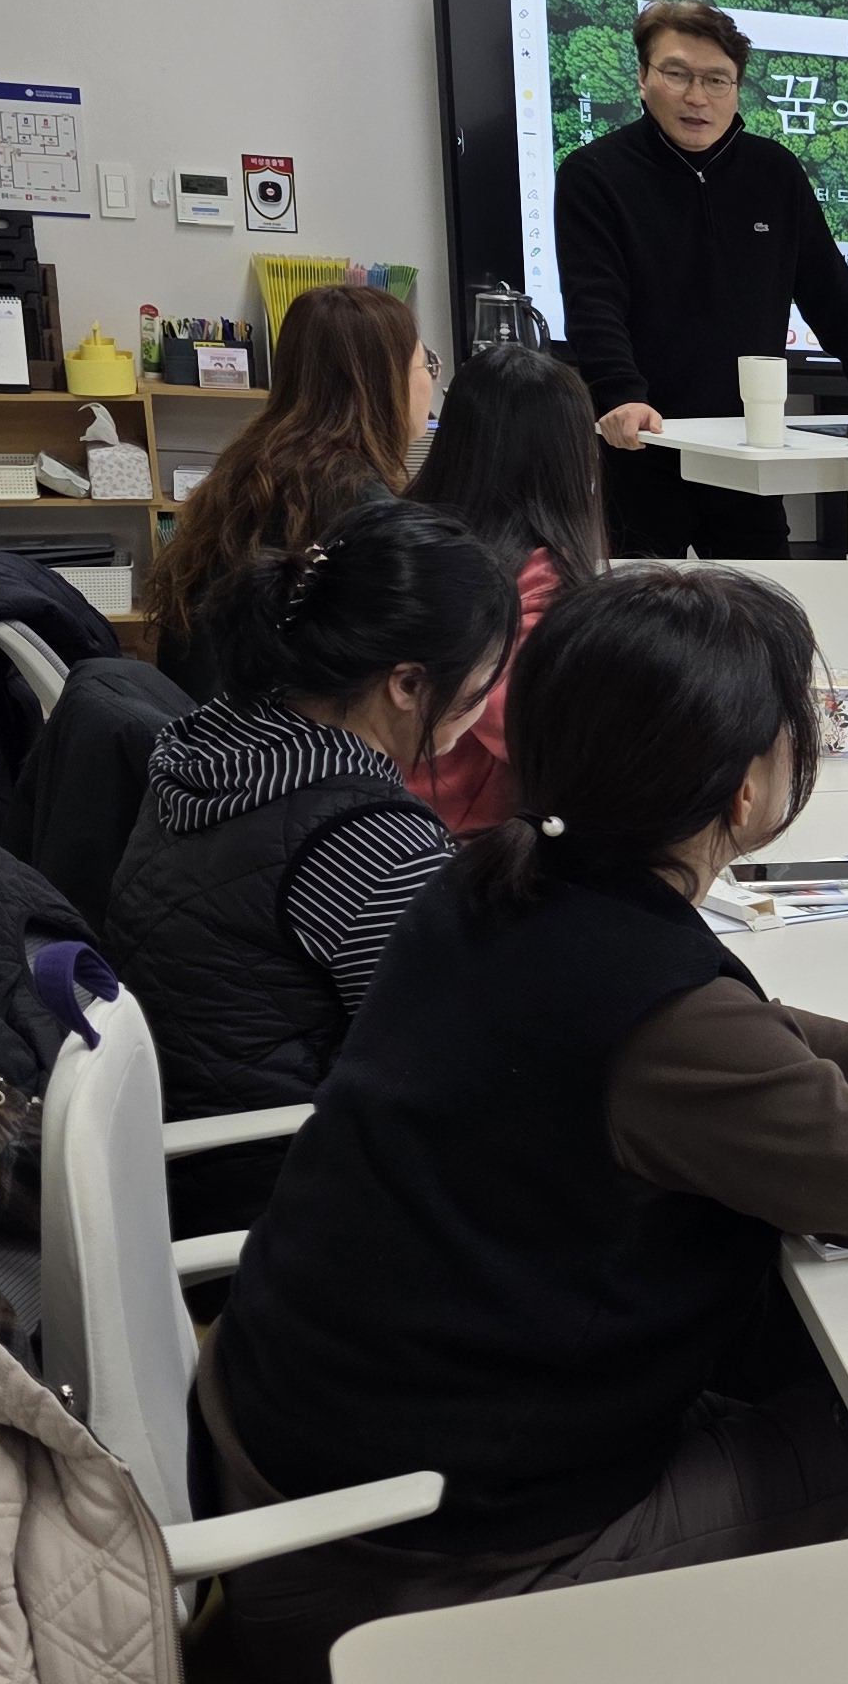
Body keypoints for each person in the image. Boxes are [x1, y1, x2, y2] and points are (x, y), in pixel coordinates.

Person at [198, 563, 848, 1684]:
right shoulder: (652, 1005)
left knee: (813, 1349)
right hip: (407, 1590)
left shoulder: (491, 876)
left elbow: (731, 1034)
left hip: (304, 1476)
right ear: (746, 790)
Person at [104, 500, 515, 1220]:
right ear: (408, 684)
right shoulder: (369, 840)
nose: (481, 710)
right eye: (479, 690)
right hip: (285, 1193)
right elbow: (464, 1065)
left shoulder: (215, 738)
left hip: (175, 1147)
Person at [555, 0, 848, 559]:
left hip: (747, 449)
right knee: (638, 606)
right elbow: (594, 303)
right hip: (644, 442)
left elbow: (830, 294)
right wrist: (620, 394)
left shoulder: (774, 172)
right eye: (677, 74)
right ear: (642, 78)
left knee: (763, 604)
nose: (697, 96)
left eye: (716, 79)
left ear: (736, 88)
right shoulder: (595, 174)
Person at [140, 282, 433, 697]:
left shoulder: (252, 467)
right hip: (263, 732)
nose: (432, 381)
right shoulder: (365, 510)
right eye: (426, 364)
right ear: (385, 382)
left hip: (203, 722)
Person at [402, 339, 608, 833]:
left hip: (371, 805)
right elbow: (542, 741)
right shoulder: (539, 579)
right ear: (570, 460)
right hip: (459, 838)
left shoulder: (399, 535)